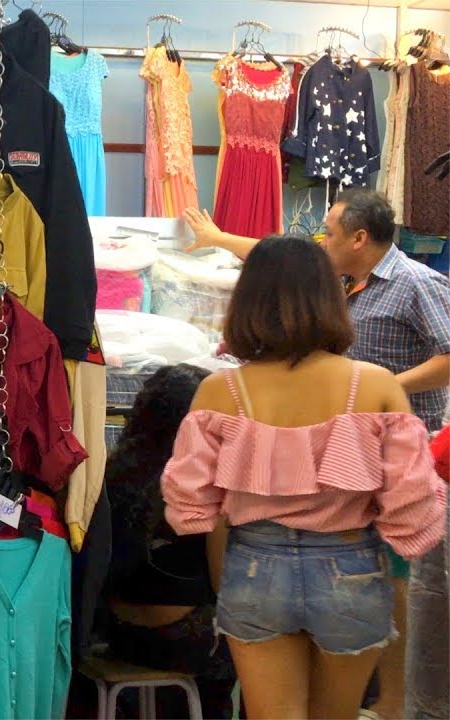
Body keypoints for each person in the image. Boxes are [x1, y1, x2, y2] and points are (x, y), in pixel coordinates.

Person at [183, 192, 450, 718]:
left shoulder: (218, 391)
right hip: (352, 565)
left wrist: (225, 579)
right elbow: (414, 509)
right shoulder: (376, 385)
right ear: (330, 298)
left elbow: (196, 507)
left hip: (254, 566)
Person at [103, 364, 238, 720]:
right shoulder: (201, 483)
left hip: (115, 633)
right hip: (180, 640)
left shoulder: (112, 474)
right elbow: (222, 582)